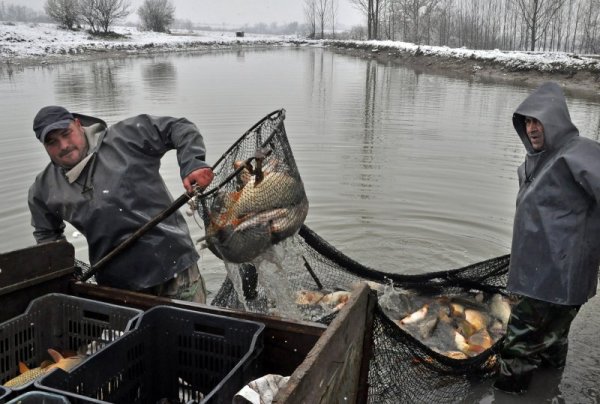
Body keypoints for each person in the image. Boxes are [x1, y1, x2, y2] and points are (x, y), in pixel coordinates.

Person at [28, 106, 214, 303]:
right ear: (43, 145)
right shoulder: (43, 190)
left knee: (192, 332)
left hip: (173, 264)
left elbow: (179, 127)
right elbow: (47, 237)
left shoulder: (125, 137)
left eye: (66, 134)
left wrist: (192, 163)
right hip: (117, 285)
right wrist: (61, 268)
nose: (63, 145)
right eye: (52, 142)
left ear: (78, 124)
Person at [494, 82, 600, 394]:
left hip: (556, 276)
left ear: (555, 120)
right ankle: (549, 388)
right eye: (527, 122)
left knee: (519, 342)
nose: (532, 128)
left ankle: (507, 394)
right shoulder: (534, 161)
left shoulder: (581, 153)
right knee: (554, 336)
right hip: (540, 275)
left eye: (538, 121)